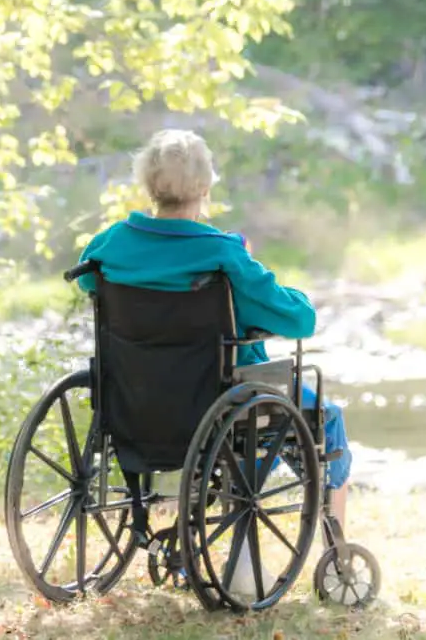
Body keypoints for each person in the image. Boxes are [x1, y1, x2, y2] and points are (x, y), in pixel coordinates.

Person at [74, 129, 350, 598]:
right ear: (205, 188)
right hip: (218, 399)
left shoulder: (109, 245)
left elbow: (89, 287)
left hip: (133, 398)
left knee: (255, 402)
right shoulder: (223, 253)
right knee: (327, 419)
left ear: (149, 186)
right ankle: (339, 556)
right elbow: (299, 319)